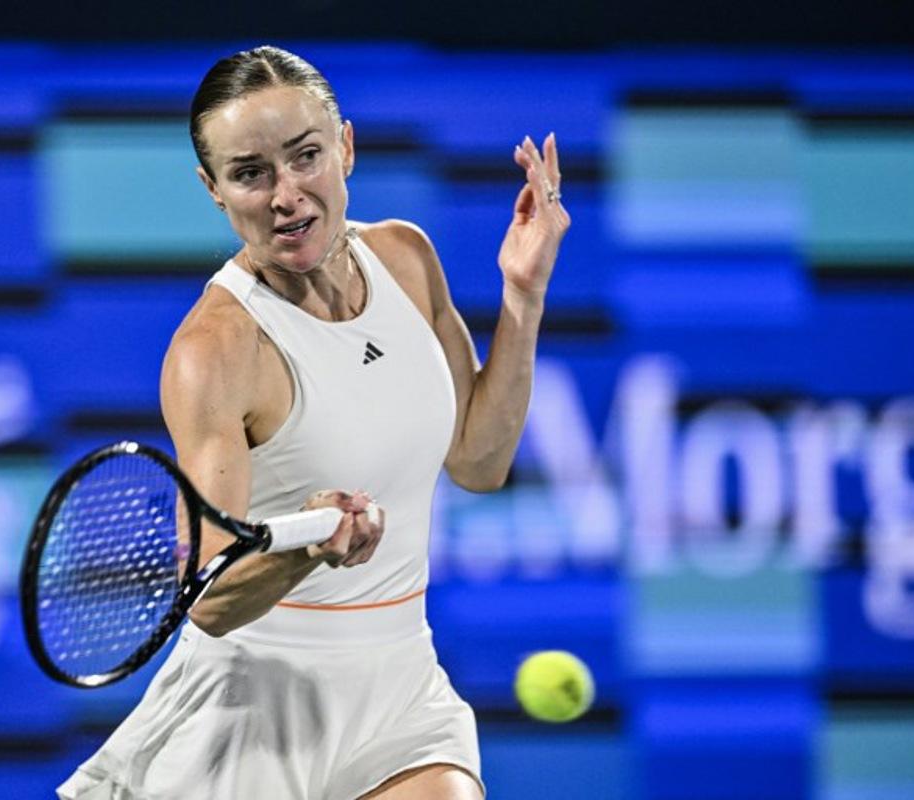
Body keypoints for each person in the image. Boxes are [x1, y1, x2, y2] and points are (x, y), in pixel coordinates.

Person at [57, 45, 569, 800]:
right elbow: (210, 600)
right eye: (250, 173)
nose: (286, 196)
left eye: (305, 158)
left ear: (346, 148)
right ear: (214, 191)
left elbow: (478, 461)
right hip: (252, 714)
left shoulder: (405, 258)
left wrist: (522, 300)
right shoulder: (215, 351)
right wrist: (308, 546)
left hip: (399, 690)